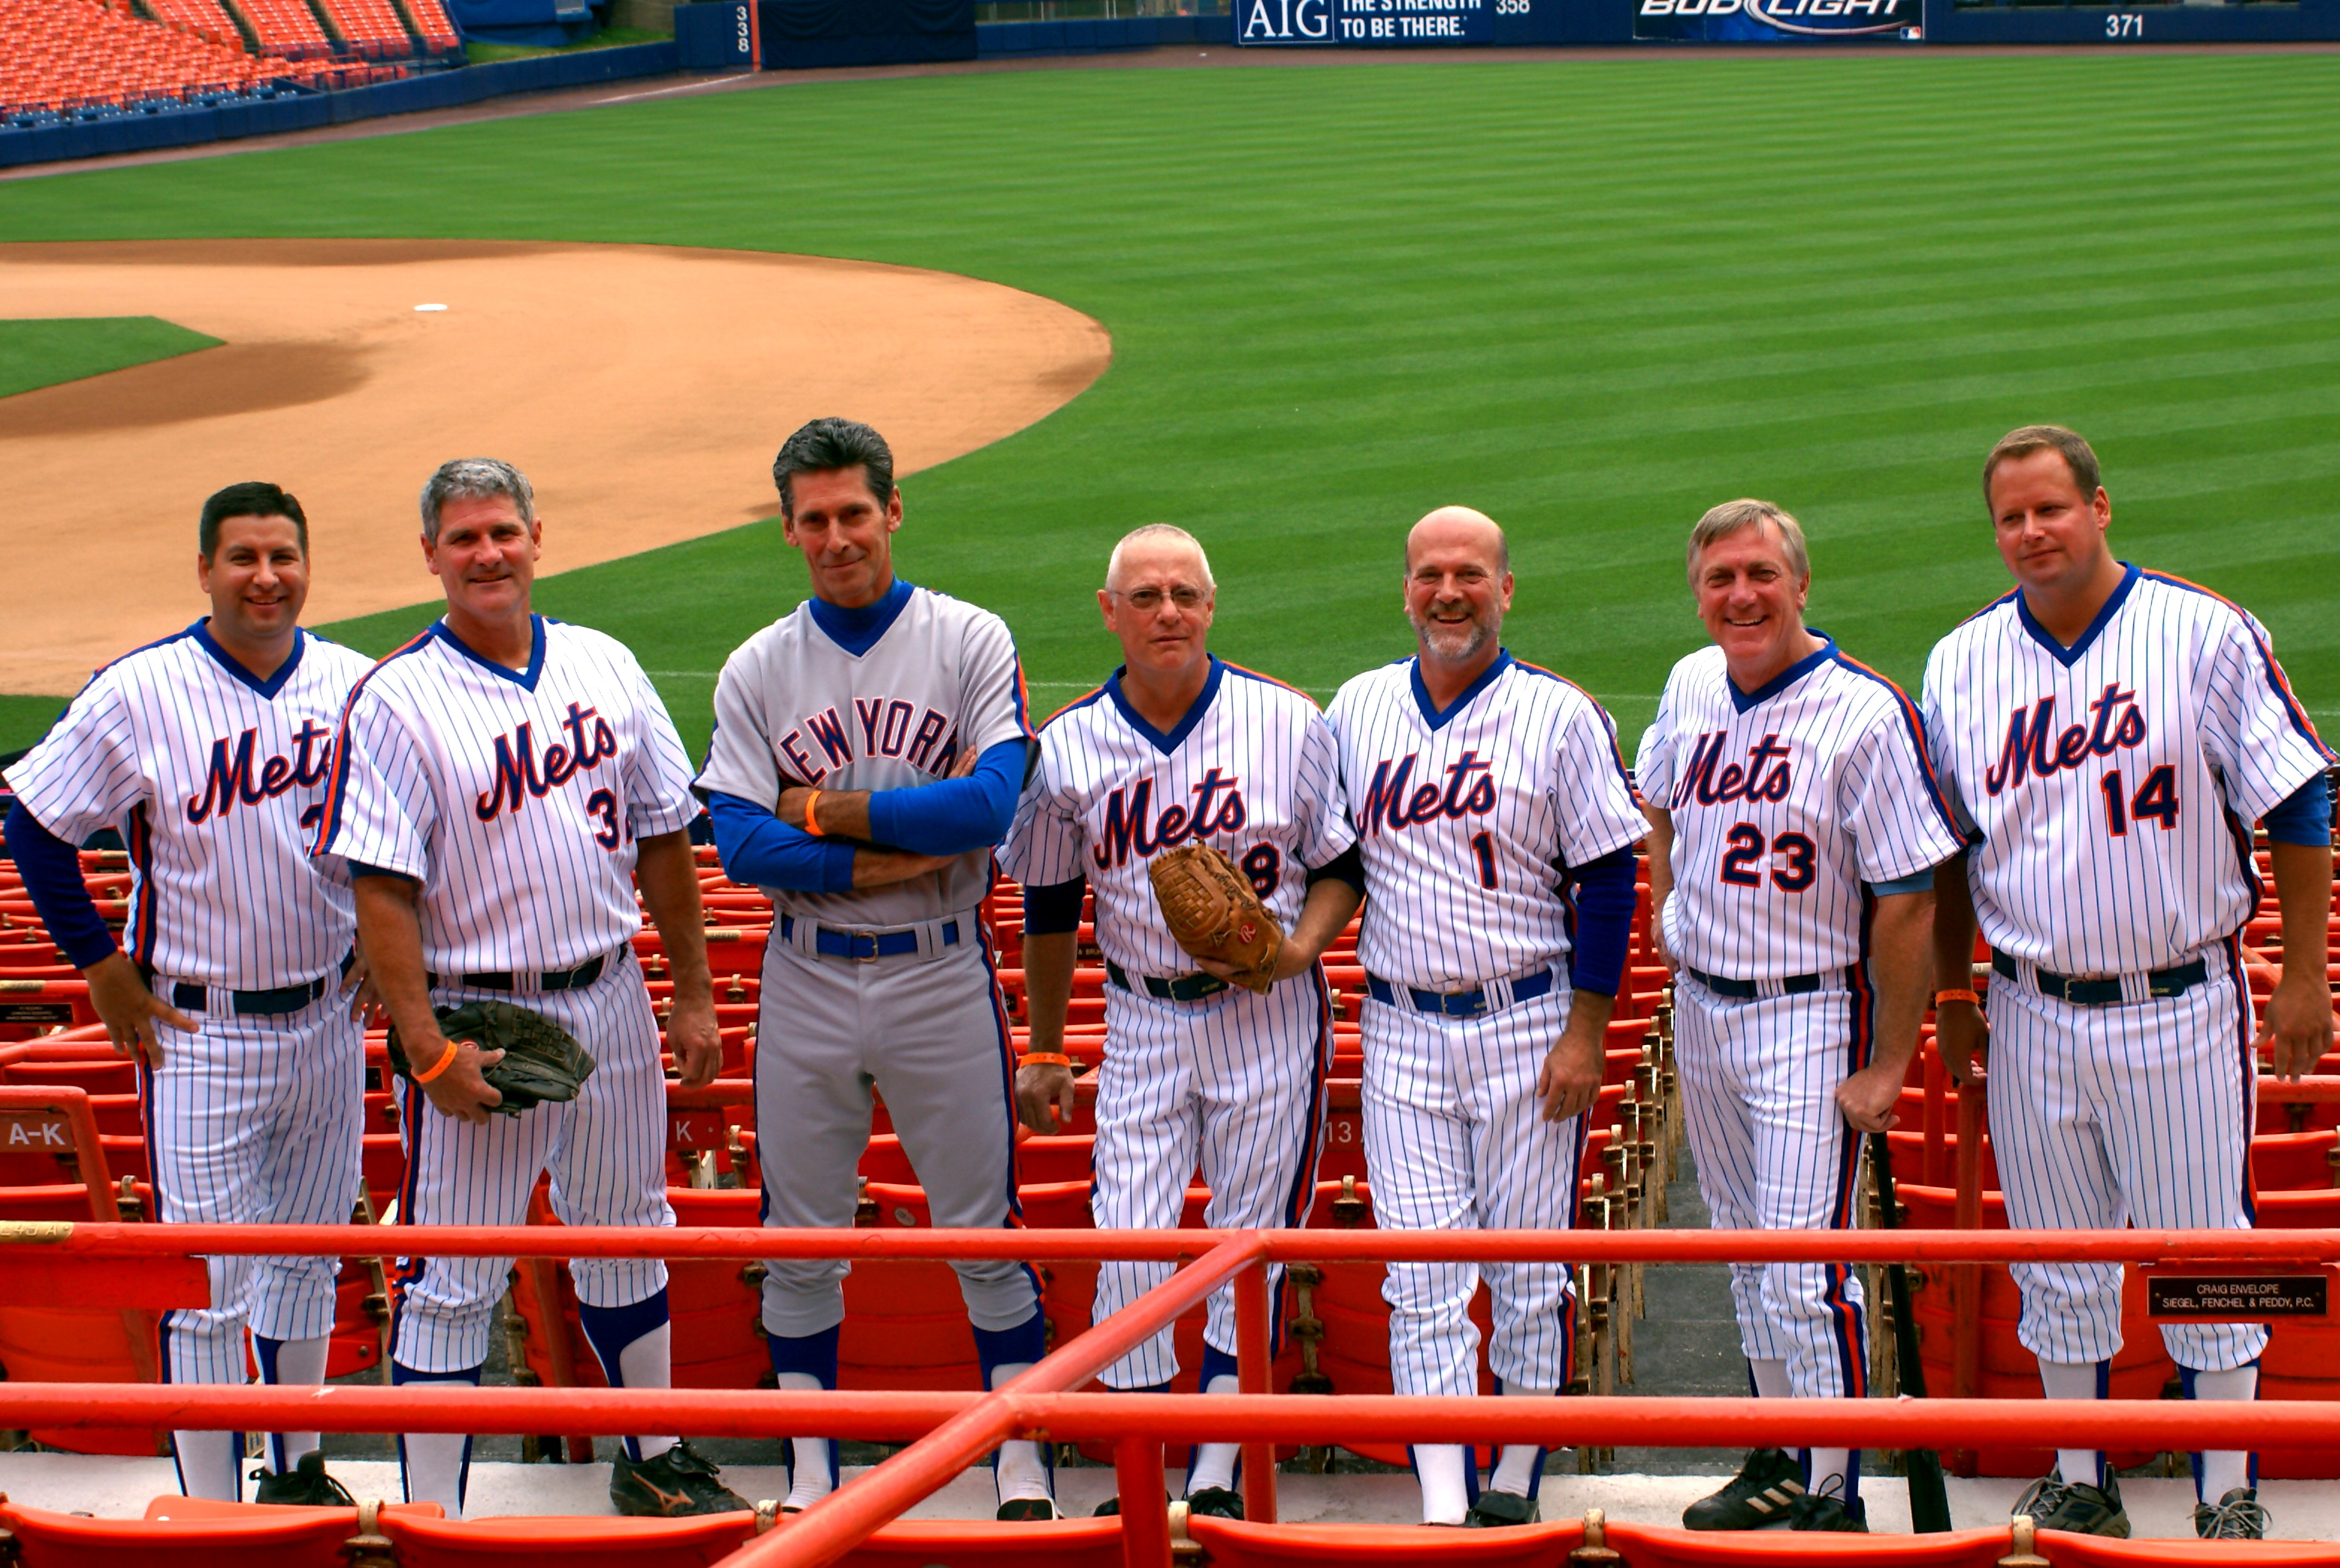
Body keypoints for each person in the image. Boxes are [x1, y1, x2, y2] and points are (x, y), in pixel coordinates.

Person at [1923, 427, 2336, 1543]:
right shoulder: (1959, 661)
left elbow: (2296, 801)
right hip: (2027, 1007)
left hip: (2180, 1003)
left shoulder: (2200, 631)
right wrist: (1957, 996)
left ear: (2101, 508)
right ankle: (2081, 1474)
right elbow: (1951, 847)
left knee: (2210, 1254)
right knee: (2059, 1259)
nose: (2030, 532)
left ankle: (2226, 1489)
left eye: (2050, 508)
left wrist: (2304, 976)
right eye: (2010, 517)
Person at [311, 459, 744, 1519]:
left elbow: (662, 839)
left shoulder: (604, 661)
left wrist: (690, 993)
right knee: (457, 1272)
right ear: (431, 555)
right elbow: (381, 891)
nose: (487, 554)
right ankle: (429, 1508)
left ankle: (652, 1453)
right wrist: (425, 1049)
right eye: (463, 539)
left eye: (502, 532)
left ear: (538, 537)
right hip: (481, 1013)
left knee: (626, 1229)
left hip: (610, 992)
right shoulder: (397, 697)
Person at [693, 418, 1057, 1519]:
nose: (838, 536)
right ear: (790, 529)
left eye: (856, 512)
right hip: (804, 976)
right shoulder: (761, 664)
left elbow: (988, 807)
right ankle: (813, 1463)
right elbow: (742, 844)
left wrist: (828, 818)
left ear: (893, 510)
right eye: (815, 520)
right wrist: (898, 850)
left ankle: (1019, 1455)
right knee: (799, 1236)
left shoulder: (969, 639)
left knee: (981, 1227)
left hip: (943, 972)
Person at [1, 482, 374, 1505]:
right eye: (244, 557)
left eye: (284, 557)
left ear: (307, 565)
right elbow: (31, 822)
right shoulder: (140, 690)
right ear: (205, 568)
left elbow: (405, 832)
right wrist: (98, 962)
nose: (267, 577)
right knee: (209, 1281)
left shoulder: (353, 684)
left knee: (306, 1261)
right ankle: (208, 1503)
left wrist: (397, 944)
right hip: (197, 1029)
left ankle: (297, 1476)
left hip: (329, 1022)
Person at [1001, 524, 1363, 1519]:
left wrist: (1295, 952)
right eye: (1146, 596)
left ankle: (1216, 1465)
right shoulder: (1067, 744)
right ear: (1109, 611)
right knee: (1130, 1235)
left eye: (1185, 596)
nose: (1168, 613)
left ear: (1211, 607)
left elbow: (1339, 868)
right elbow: (1047, 904)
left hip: (1270, 1012)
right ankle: (1139, 1454)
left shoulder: (1289, 721)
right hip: (1142, 1016)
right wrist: (1040, 1046)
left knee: (1247, 1241)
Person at [1636, 500, 1966, 1534]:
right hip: (1705, 1005)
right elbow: (1656, 795)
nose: (1742, 596)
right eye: (1721, 578)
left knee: (1799, 1258)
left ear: (1801, 582)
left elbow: (1912, 892)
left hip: (1809, 1008)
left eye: (1762, 575)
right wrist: (1665, 897)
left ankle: (1835, 1484)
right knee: (1742, 1250)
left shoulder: (1866, 710)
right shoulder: (1693, 682)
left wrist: (1889, 1061)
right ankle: (1778, 1449)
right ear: (1698, 591)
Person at [1324, 506, 1645, 1527]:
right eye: (1429, 575)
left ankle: (1514, 1474)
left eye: (1469, 574)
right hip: (1401, 1026)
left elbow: (1608, 875)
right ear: (1405, 589)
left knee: (1525, 1269)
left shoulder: (1559, 714)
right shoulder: (1358, 709)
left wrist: (1588, 1033)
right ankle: (1445, 1495)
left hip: (1528, 1022)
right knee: (1419, 1276)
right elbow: (1327, 858)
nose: (1447, 593)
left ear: (1507, 589)